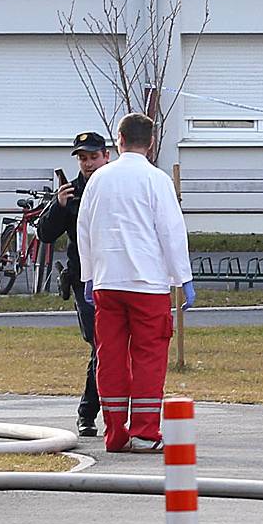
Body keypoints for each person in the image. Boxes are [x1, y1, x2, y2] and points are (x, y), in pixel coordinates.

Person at [74, 114, 193, 454]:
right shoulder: (155, 180)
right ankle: (144, 429)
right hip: (148, 282)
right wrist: (182, 278)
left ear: (119, 139)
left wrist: (89, 274)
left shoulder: (98, 180)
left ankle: (114, 432)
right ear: (151, 143)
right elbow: (170, 231)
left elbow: (86, 228)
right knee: (149, 355)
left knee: (109, 356)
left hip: (107, 281)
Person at [37, 131, 110, 439]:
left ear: (106, 156)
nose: (88, 164)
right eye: (83, 158)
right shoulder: (71, 191)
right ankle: (87, 413)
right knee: (100, 345)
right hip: (84, 280)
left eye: (93, 157)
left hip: (117, 276)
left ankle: (110, 411)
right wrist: (57, 205)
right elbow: (45, 234)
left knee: (115, 348)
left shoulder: (116, 185)